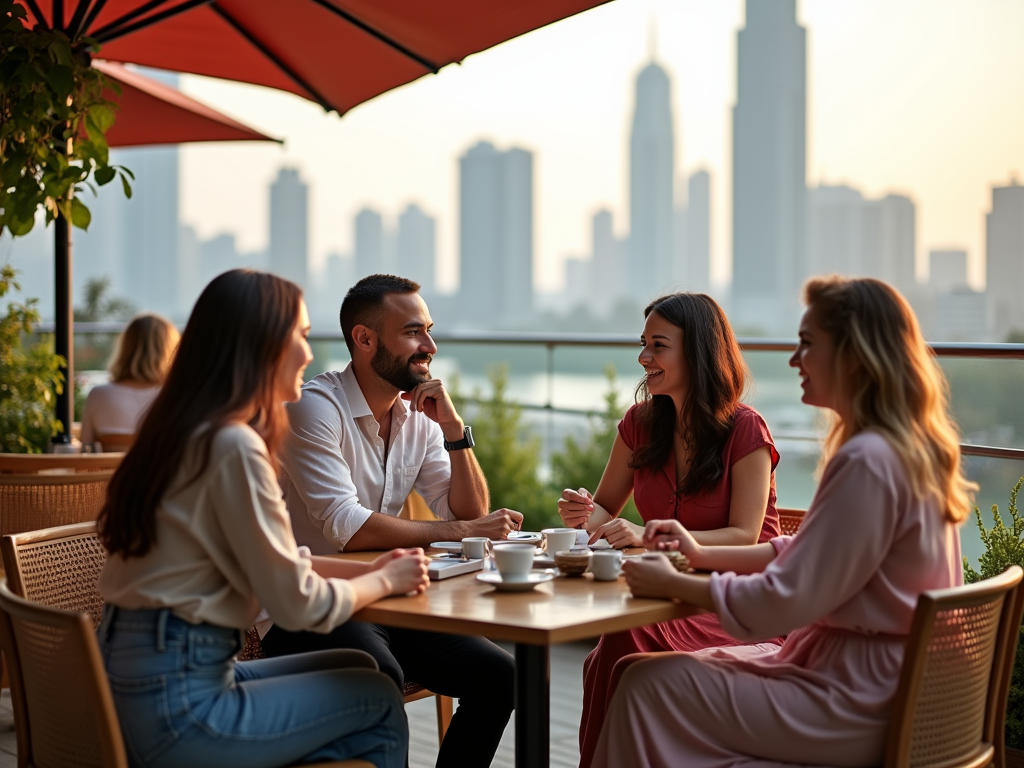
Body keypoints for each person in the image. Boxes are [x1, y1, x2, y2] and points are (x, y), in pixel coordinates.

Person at [594, 276, 972, 768]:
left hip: (860, 700)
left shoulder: (866, 461)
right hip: (889, 685)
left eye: (808, 345)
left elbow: (784, 601)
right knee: (641, 675)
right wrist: (698, 553)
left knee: (642, 684)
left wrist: (677, 583)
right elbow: (806, 554)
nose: (794, 360)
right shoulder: (903, 451)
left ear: (855, 355)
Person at [96, 269, 430, 768]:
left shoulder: (185, 432)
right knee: (376, 702)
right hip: (178, 707)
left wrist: (370, 571)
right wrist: (381, 581)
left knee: (360, 669)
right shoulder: (233, 447)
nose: (309, 353)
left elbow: (276, 559)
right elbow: (296, 604)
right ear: (260, 343)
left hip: (134, 680)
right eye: (300, 335)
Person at [262, 273, 516, 768]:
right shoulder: (315, 409)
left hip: (385, 599)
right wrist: (462, 532)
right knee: (380, 675)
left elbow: (468, 511)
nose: (430, 346)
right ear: (364, 339)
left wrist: (455, 430)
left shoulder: (418, 415)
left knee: (501, 675)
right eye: (414, 332)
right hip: (306, 603)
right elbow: (346, 526)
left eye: (429, 330)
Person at [555, 292, 783, 768]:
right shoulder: (639, 424)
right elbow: (604, 510)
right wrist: (583, 513)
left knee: (617, 647)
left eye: (658, 346)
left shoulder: (746, 430)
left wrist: (647, 535)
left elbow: (746, 536)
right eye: (643, 344)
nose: (644, 358)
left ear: (697, 351)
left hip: (737, 603)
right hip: (667, 593)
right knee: (614, 649)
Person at [80, 313, 179, 450]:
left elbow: (85, 453)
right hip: (162, 472)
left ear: (125, 348)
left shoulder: (98, 395)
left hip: (113, 472)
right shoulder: (177, 398)